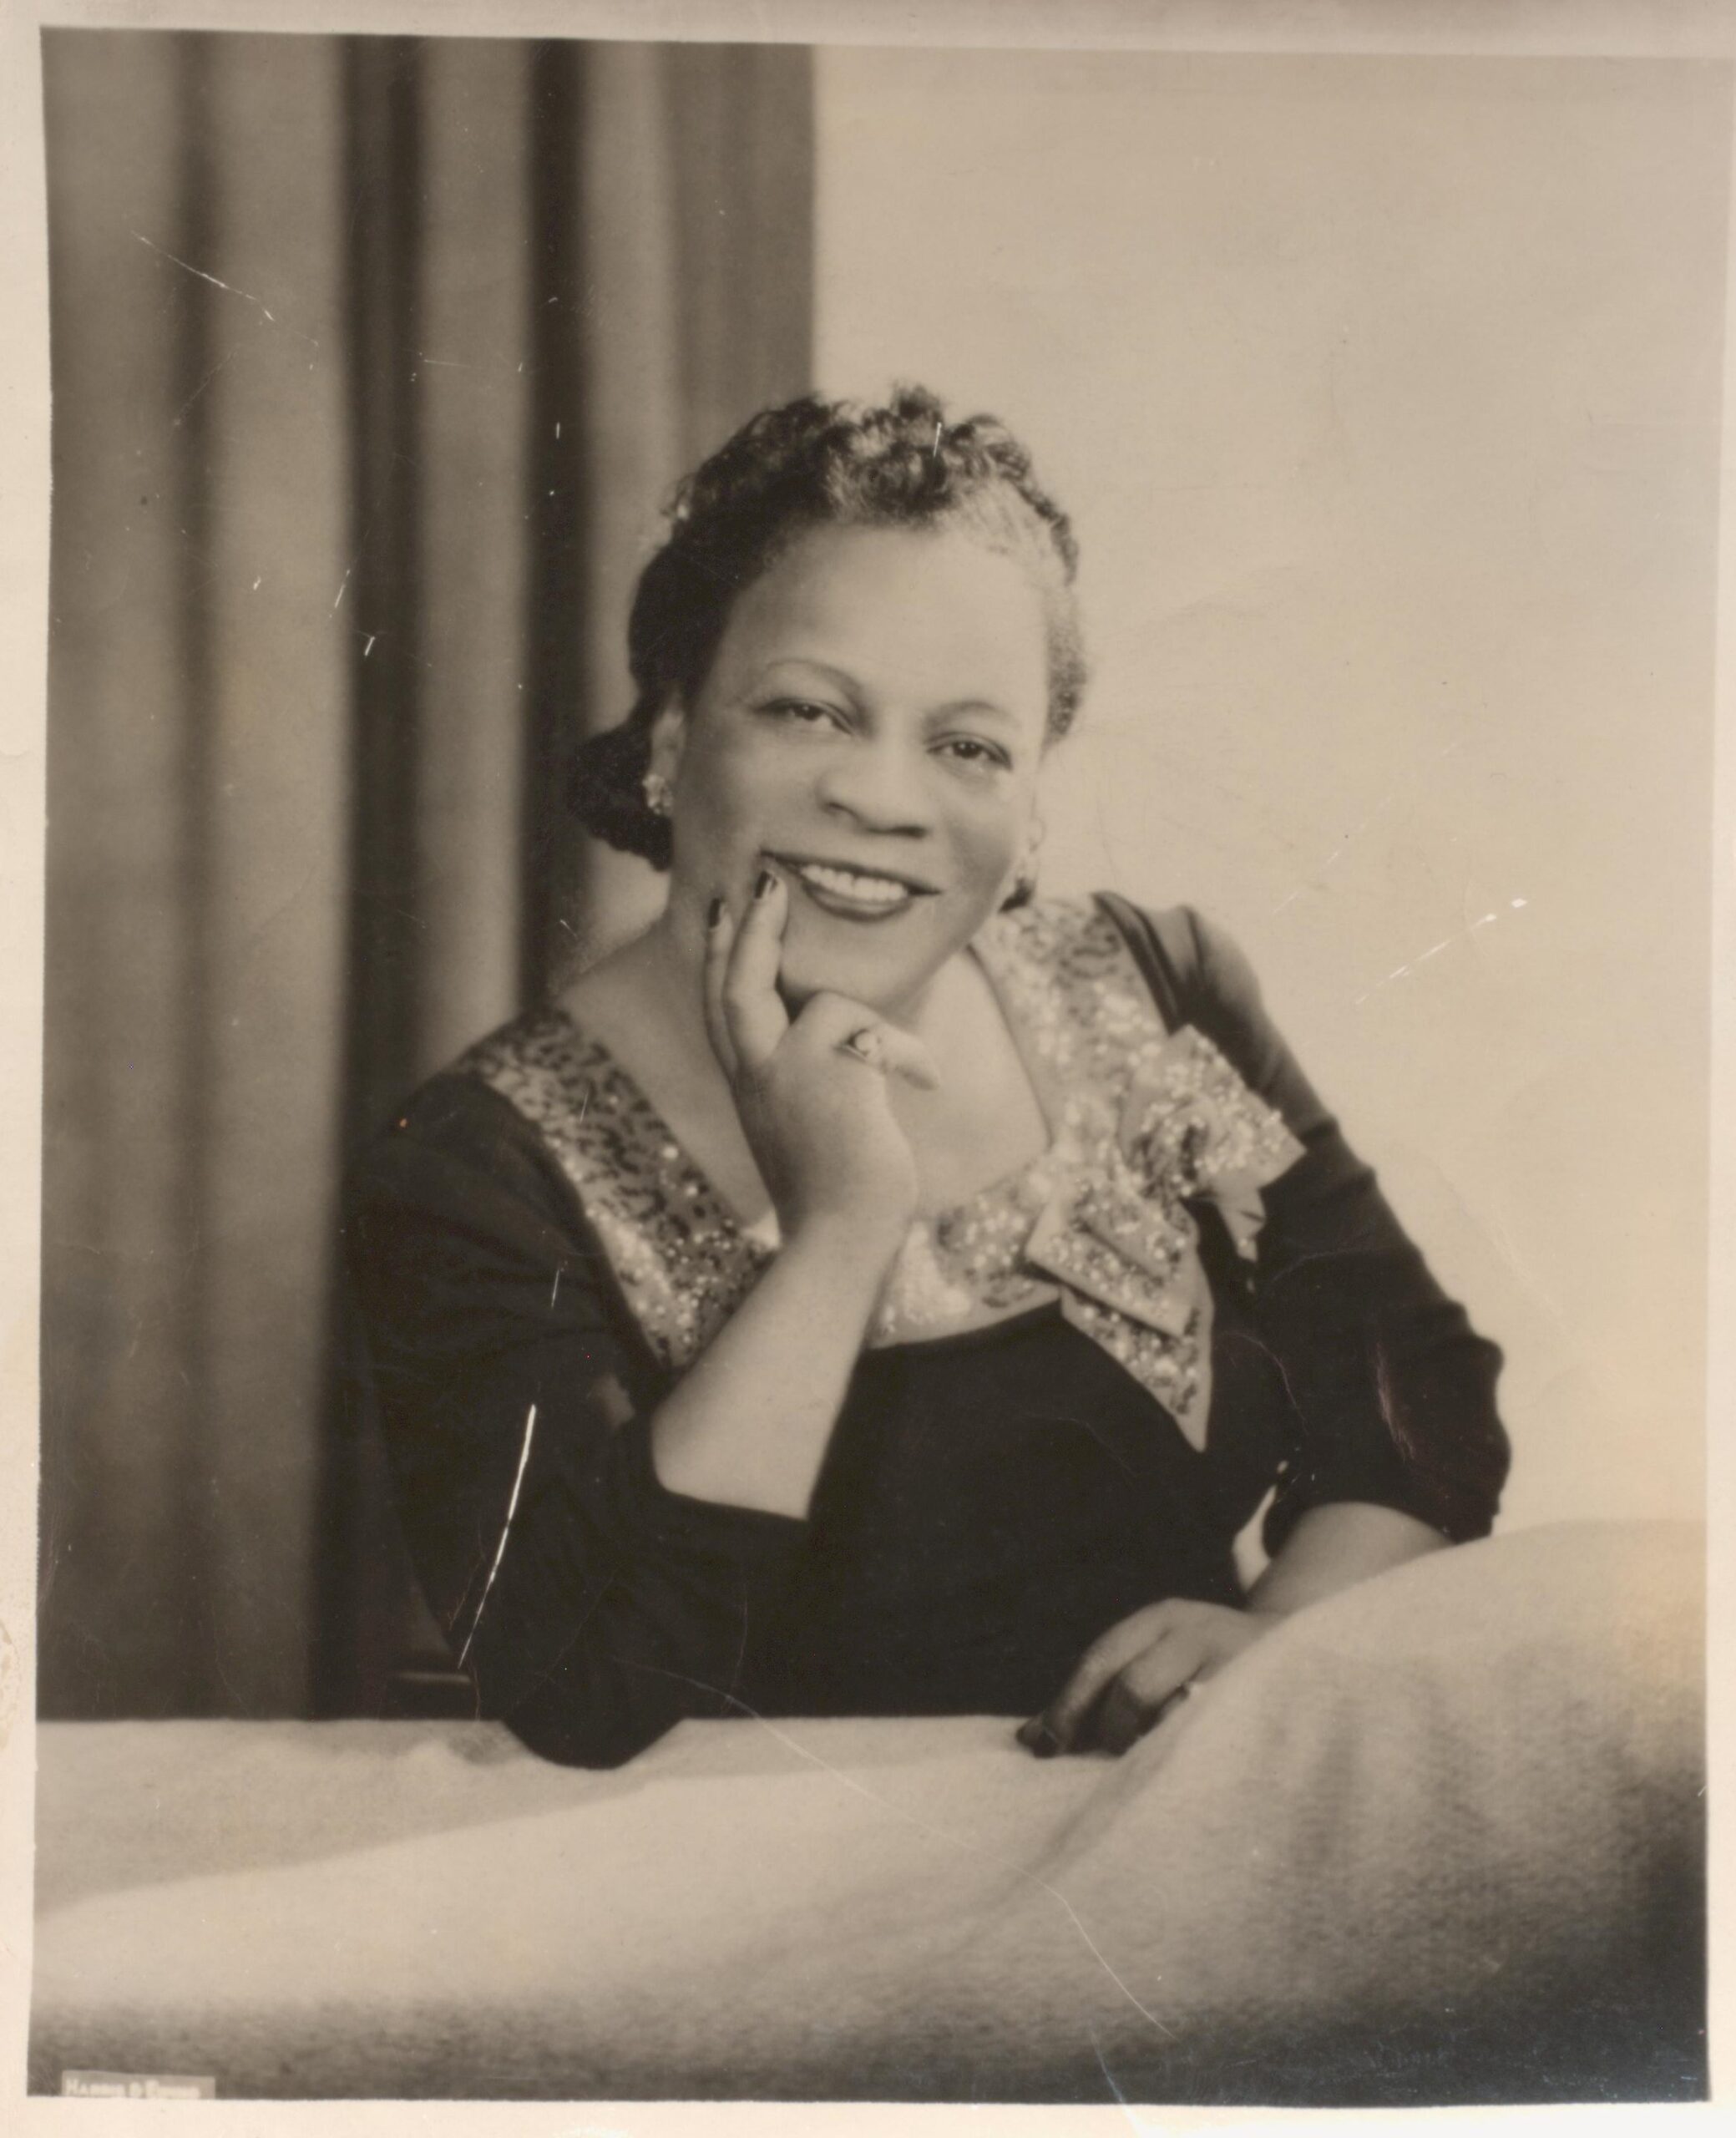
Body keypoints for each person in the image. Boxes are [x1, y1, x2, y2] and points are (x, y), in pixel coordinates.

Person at [345, 386, 1511, 1771]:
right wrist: (838, 1229)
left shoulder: (1156, 990)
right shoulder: (474, 1164)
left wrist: (1274, 1642)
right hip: (727, 1911)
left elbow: (1421, 1406)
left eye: (967, 745)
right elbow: (590, 1687)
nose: (885, 800)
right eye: (809, 713)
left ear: (1027, 810)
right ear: (667, 742)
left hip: (1159, 1853)